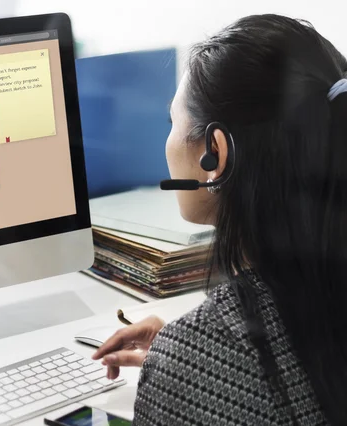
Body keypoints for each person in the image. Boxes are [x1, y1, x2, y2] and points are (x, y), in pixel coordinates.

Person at [93, 14, 347, 426]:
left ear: (215, 153)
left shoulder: (194, 360)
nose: (168, 140)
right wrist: (201, 348)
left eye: (172, 123)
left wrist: (193, 358)